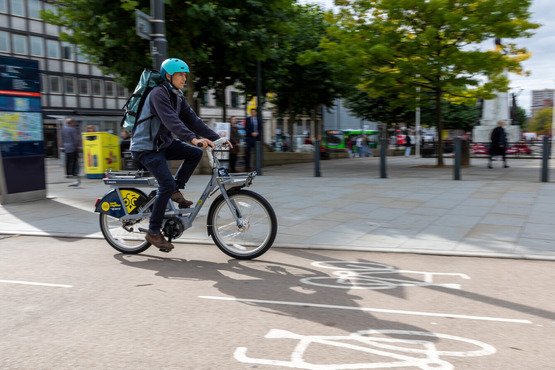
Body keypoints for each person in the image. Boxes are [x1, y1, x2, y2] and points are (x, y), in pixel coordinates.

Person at [130, 58, 227, 252]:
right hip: (146, 147)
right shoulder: (158, 94)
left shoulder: (177, 95)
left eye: (185, 75)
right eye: (181, 75)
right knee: (165, 184)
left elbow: (193, 120)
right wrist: (194, 139)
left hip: (162, 143)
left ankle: (176, 189)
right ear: (169, 76)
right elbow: (172, 121)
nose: (184, 78)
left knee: (193, 154)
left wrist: (218, 138)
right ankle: (154, 231)